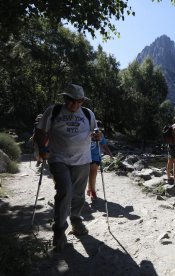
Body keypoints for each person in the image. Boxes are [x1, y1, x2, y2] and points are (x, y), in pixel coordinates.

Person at [34, 84, 99, 251]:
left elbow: (96, 131)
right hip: (58, 158)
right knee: (65, 191)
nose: (75, 105)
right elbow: (40, 131)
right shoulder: (53, 111)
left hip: (83, 159)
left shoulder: (87, 113)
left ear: (82, 101)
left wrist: (99, 135)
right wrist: (42, 148)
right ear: (65, 98)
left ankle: (76, 221)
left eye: (79, 102)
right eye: (71, 101)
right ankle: (59, 231)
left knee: (78, 194)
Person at [88, 120, 113, 200]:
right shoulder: (86, 134)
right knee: (86, 175)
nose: (98, 130)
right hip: (84, 156)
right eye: (96, 128)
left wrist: (110, 153)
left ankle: (92, 191)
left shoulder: (101, 136)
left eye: (99, 129)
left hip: (95, 157)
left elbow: (104, 145)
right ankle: (89, 189)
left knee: (93, 173)